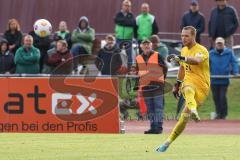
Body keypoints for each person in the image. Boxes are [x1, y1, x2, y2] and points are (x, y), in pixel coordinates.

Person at [156, 26, 210, 152]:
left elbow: (196, 61)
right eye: (182, 35)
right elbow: (181, 68)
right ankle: (167, 143)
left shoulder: (202, 50)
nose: (183, 38)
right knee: (184, 113)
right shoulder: (184, 50)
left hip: (202, 86)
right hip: (189, 83)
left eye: (186, 35)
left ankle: (192, 108)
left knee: (185, 116)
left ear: (193, 36)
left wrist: (180, 58)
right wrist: (177, 84)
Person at [135, 39, 167, 134]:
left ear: (151, 46)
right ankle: (153, 127)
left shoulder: (157, 55)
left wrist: (161, 80)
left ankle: (158, 128)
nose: (146, 47)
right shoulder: (138, 58)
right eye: (144, 45)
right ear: (141, 47)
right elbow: (138, 71)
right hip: (146, 86)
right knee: (150, 108)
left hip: (157, 85)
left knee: (158, 107)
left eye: (148, 45)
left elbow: (165, 68)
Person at [210, 37, 238, 119]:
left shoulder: (229, 52)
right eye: (218, 44)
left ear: (223, 44)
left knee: (222, 97)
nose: (219, 45)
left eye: (221, 44)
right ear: (215, 44)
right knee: (215, 97)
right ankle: (218, 113)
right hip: (214, 79)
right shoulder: (211, 53)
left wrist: (235, 72)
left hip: (224, 79)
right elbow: (206, 65)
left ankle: (224, 114)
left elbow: (234, 62)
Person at [114, 0, 135, 65]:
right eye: (126, 5)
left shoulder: (131, 15)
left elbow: (132, 23)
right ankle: (116, 67)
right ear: (122, 6)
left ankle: (130, 68)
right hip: (119, 37)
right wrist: (126, 21)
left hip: (128, 38)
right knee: (116, 53)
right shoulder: (118, 14)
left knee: (129, 54)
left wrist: (122, 22)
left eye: (129, 6)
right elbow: (116, 20)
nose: (127, 7)